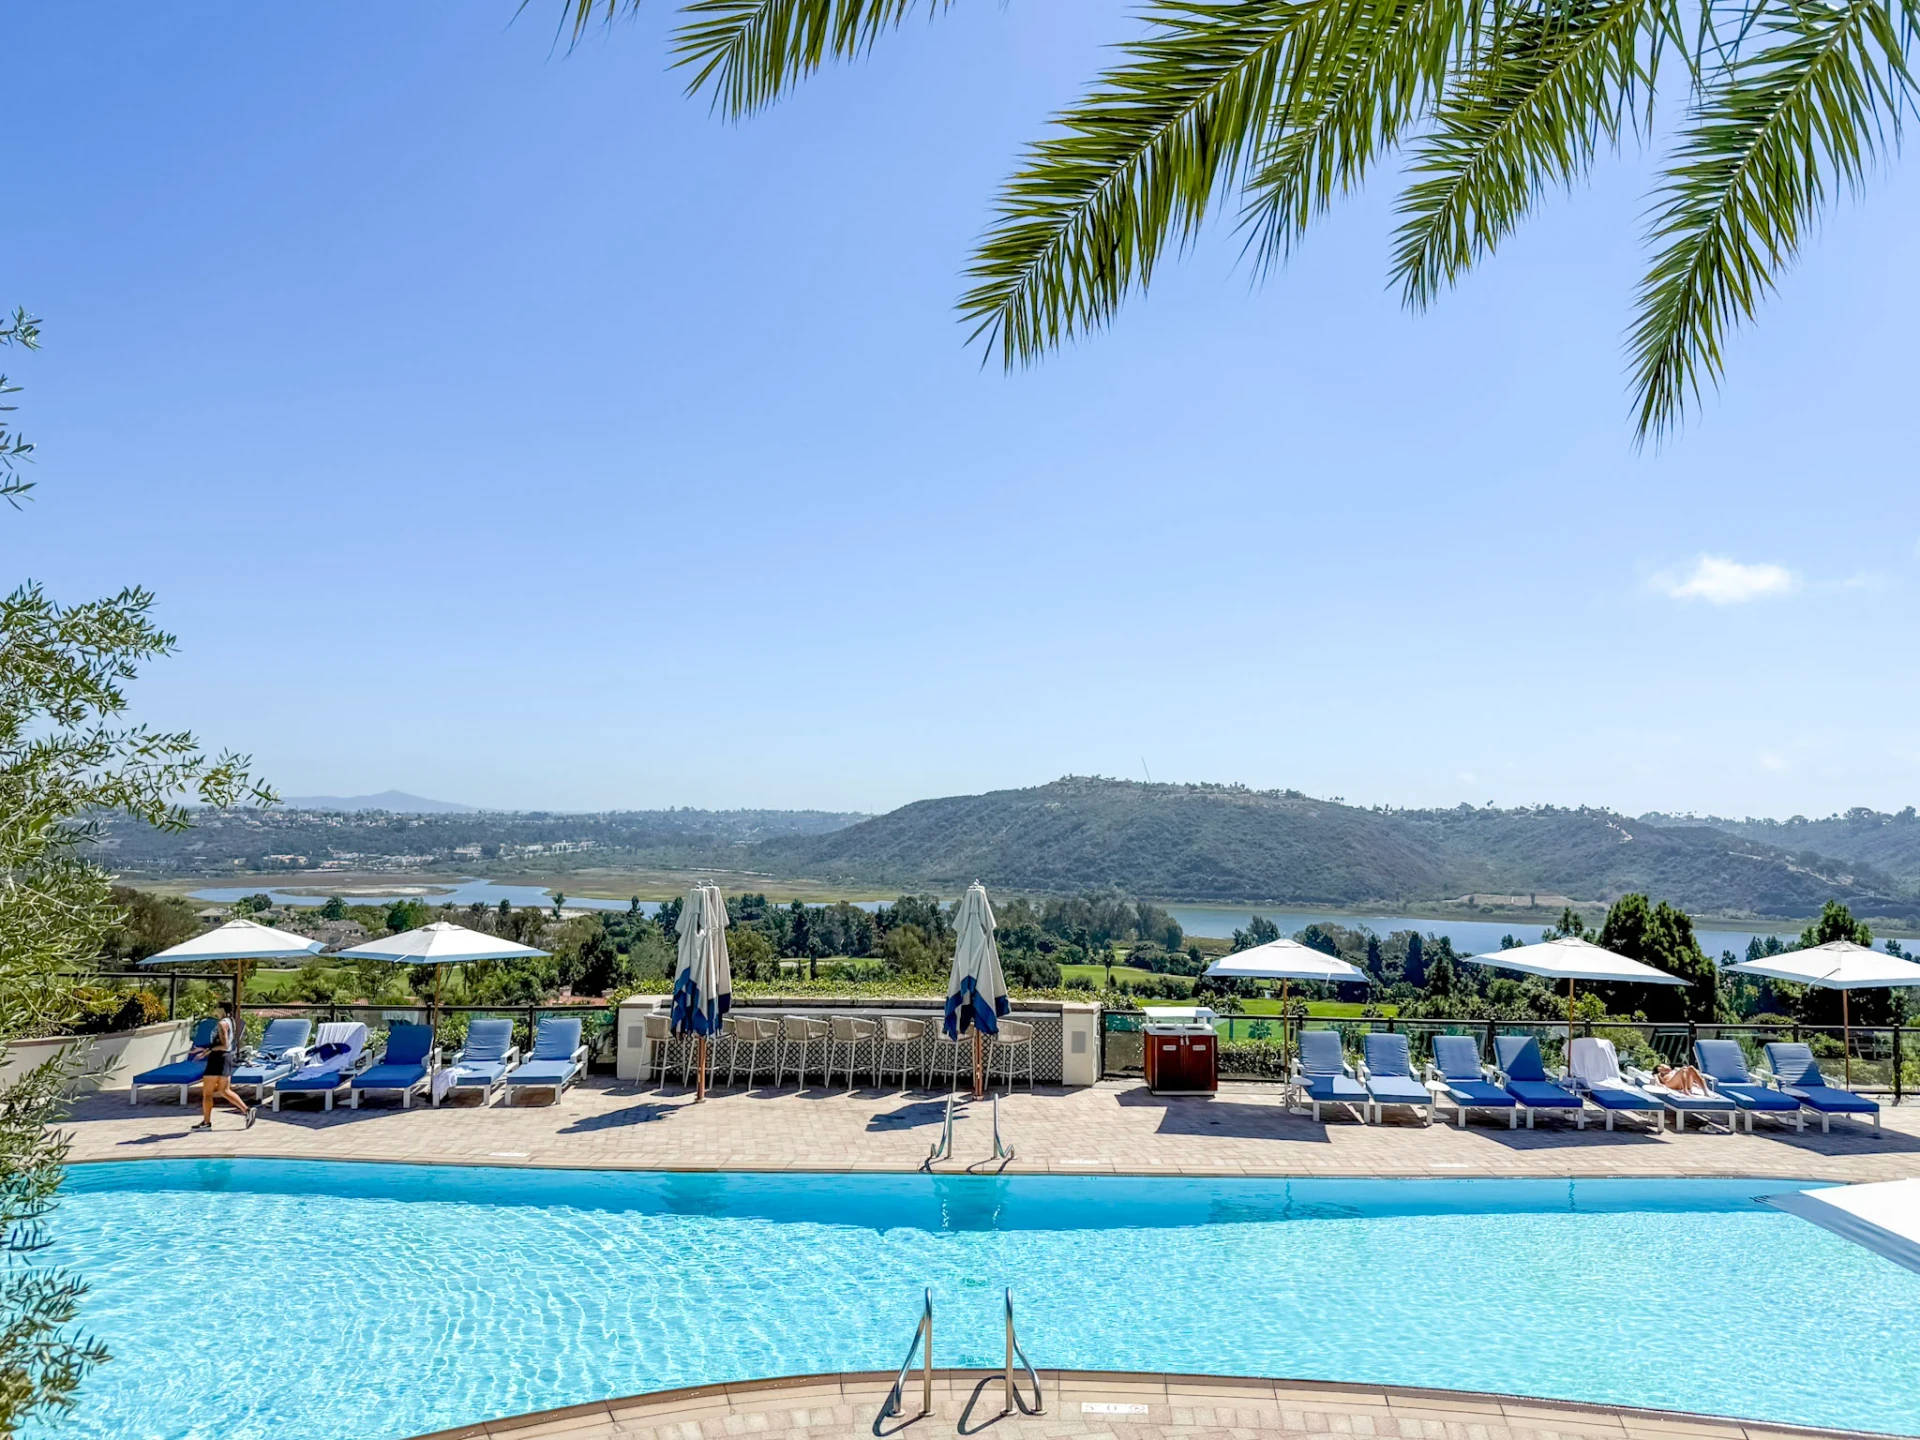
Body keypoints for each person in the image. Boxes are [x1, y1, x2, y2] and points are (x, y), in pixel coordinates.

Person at [192, 1001, 256, 1130]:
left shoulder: (222, 1024)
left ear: (222, 1009)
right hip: (226, 1058)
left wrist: (206, 1052)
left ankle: (206, 1123)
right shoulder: (230, 1022)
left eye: (216, 1007)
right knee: (224, 1090)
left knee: (207, 1094)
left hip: (217, 1059)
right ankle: (247, 1110)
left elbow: (224, 1045)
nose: (214, 1010)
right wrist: (204, 1049)